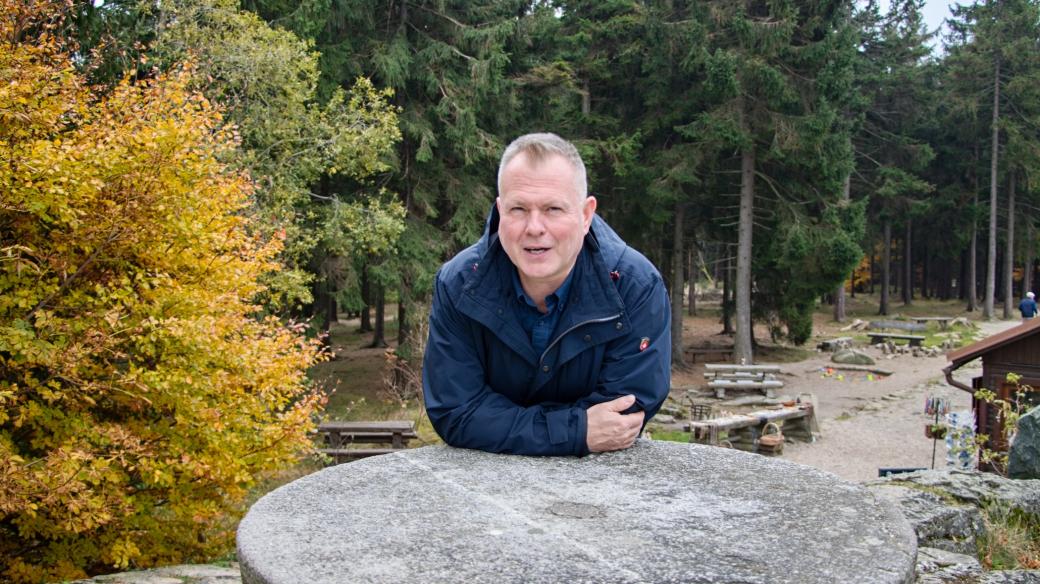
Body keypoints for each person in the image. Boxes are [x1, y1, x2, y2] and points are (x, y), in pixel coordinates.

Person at [422, 133, 671, 456]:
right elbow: (456, 412)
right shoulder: (457, 285)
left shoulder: (635, 287)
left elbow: (621, 418)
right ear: (500, 211)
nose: (534, 227)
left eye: (553, 208)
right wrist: (575, 429)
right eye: (518, 209)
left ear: (585, 215)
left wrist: (498, 422)